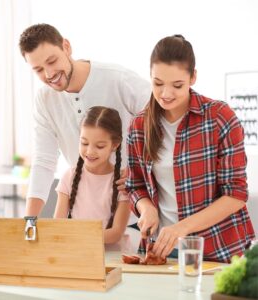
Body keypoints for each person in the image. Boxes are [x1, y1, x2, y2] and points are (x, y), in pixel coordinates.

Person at [126, 34, 255, 262]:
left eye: (177, 85)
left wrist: (180, 228)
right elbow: (135, 185)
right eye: (158, 84)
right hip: (160, 249)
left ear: (193, 77)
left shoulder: (219, 118)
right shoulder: (139, 125)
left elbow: (236, 194)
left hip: (218, 250)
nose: (165, 94)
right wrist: (146, 209)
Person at [18, 23, 151, 218]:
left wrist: (139, 172)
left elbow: (162, 125)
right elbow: (44, 161)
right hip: (82, 221)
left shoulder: (118, 79)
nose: (49, 74)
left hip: (131, 215)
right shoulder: (45, 100)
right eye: (38, 69)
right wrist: (29, 221)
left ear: (66, 47)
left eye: (52, 61)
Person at [54, 106, 131, 248]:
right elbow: (58, 225)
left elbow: (115, 233)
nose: (90, 151)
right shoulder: (69, 177)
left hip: (112, 259)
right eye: (84, 143)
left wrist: (75, 234)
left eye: (100, 146)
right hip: (77, 255)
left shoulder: (122, 181)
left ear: (115, 145)